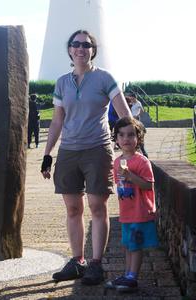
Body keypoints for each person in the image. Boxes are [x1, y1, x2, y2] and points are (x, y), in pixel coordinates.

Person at [41, 29, 131, 285]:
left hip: (97, 149)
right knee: (72, 208)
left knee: (96, 207)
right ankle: (77, 261)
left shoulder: (104, 78)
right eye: (76, 44)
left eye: (86, 45)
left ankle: (95, 264)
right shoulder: (61, 82)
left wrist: (131, 146)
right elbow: (57, 120)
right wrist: (47, 154)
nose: (81, 49)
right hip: (69, 151)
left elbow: (123, 111)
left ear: (93, 50)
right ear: (69, 49)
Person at [105, 116, 158, 292]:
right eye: (121, 135)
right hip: (126, 212)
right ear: (116, 138)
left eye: (130, 135)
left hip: (140, 211)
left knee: (135, 245)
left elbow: (148, 185)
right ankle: (127, 273)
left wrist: (130, 176)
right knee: (127, 245)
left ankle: (132, 278)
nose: (126, 139)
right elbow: (119, 184)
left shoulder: (142, 161)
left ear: (138, 138)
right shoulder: (117, 161)